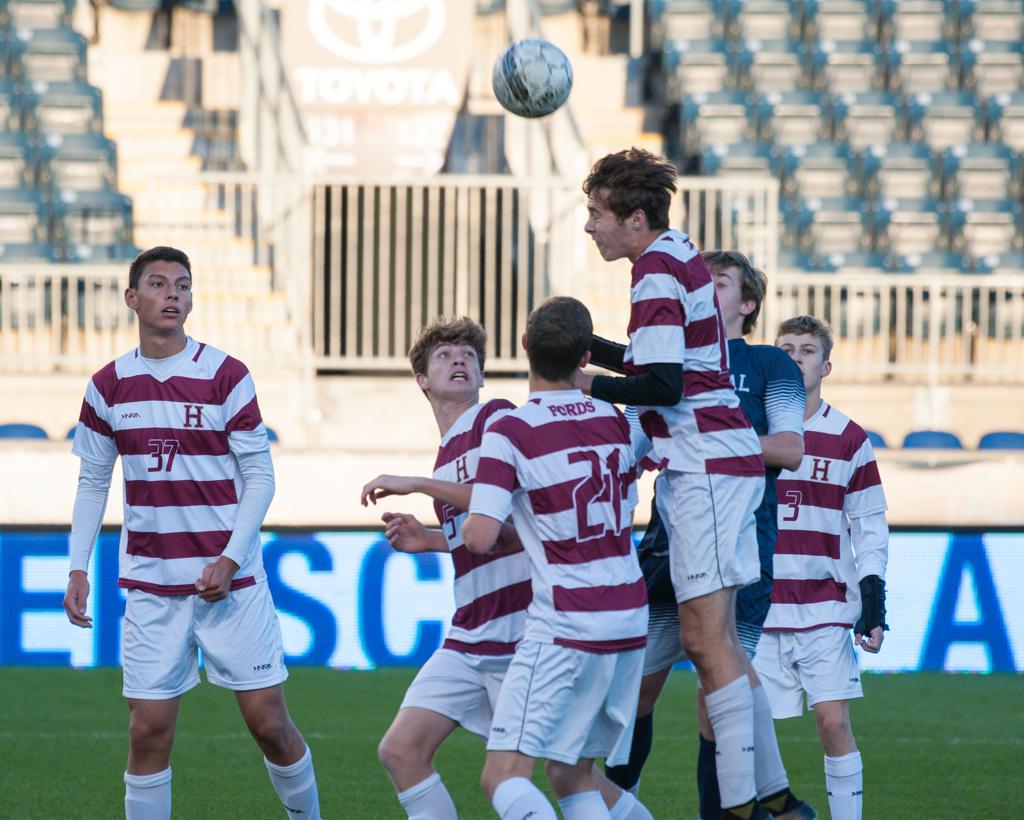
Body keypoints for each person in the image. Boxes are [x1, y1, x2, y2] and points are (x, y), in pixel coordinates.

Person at [61, 246, 320, 819]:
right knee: (147, 731)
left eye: (182, 285)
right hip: (153, 585)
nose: (173, 294)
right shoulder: (108, 386)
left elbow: (260, 477)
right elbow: (92, 483)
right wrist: (78, 566)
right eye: (158, 284)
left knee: (270, 726)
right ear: (132, 299)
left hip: (233, 583)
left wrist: (229, 559)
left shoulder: (227, 375)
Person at [577, 148, 769, 818]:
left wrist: (588, 383)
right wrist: (593, 347)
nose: (589, 228)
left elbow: (663, 385)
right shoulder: (675, 253)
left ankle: (747, 804)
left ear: (634, 217)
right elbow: (664, 359)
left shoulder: (655, 270)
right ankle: (774, 795)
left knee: (705, 642)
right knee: (712, 644)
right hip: (713, 461)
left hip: (707, 465)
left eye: (596, 214)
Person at [596, 251, 817, 819]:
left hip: (740, 531)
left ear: (747, 305)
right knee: (634, 684)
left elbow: (790, 449)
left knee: (713, 687)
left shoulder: (770, 364)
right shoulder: (672, 360)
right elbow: (634, 437)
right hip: (668, 534)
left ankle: (740, 809)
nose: (704, 293)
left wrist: (702, 448)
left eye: (720, 285)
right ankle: (621, 807)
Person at [462, 296, 652, 820]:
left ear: (524, 345)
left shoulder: (511, 430)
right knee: (572, 772)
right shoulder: (614, 421)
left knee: (502, 775)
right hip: (629, 616)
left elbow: (478, 536)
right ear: (586, 355)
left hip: (567, 620)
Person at [358, 317, 533, 819]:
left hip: (520, 634)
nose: (459, 360)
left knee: (551, 777)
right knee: (400, 751)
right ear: (421, 381)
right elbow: (492, 531)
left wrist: (415, 484)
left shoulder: (495, 418)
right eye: (444, 356)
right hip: (471, 633)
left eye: (468, 356)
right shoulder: (445, 457)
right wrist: (431, 540)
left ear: (480, 377)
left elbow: (497, 503)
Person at [756, 315, 890, 820]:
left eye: (807, 350)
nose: (795, 357)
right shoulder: (752, 429)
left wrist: (872, 606)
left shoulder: (849, 438)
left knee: (833, 724)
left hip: (824, 607)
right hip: (760, 607)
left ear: (825, 365)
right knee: (750, 735)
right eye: (785, 348)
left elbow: (870, 528)